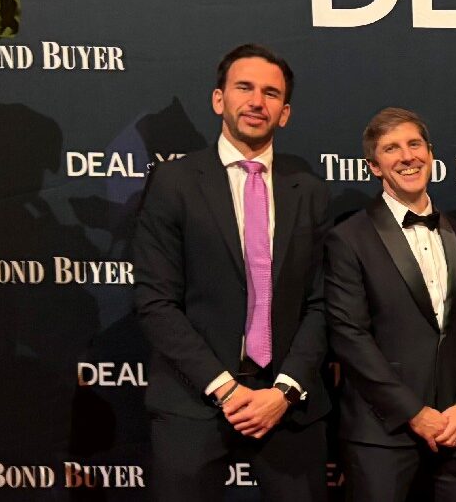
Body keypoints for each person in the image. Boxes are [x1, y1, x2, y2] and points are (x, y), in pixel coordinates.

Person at [133, 43, 329, 502]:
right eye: (244, 88)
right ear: (219, 99)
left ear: (285, 113)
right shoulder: (174, 183)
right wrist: (225, 388)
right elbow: (155, 301)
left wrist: (284, 390)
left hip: (287, 404)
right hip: (194, 398)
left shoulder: (310, 191)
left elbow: (323, 303)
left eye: (271, 93)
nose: (257, 101)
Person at [325, 107, 456, 501]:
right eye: (392, 148)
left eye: (414, 144)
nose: (407, 157)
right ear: (374, 166)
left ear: (430, 154)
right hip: (382, 435)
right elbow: (350, 337)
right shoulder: (348, 239)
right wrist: (413, 412)